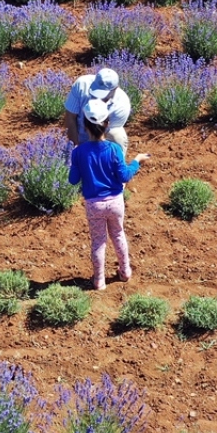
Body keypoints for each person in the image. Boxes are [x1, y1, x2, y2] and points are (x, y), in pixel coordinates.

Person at [68, 99, 150, 290]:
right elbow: (125, 175)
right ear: (106, 124)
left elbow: (73, 180)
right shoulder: (114, 149)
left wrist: (74, 159)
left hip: (93, 205)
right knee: (118, 235)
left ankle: (99, 281)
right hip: (115, 202)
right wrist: (136, 161)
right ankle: (125, 271)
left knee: (98, 242)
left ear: (85, 125)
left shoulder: (79, 152)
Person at [63, 67, 131, 155]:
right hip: (79, 135)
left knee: (117, 135)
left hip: (102, 138)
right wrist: (76, 149)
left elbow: (104, 134)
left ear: (115, 89)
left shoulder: (121, 104)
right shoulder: (82, 84)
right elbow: (70, 117)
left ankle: (115, 163)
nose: (97, 98)